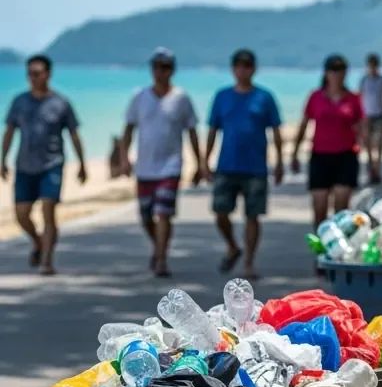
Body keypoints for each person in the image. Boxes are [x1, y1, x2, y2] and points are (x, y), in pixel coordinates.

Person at [119, 48, 205, 278]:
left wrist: (200, 163)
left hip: (171, 166)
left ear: (172, 70)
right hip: (145, 167)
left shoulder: (181, 98)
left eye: (165, 67)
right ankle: (158, 247)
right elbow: (128, 129)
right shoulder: (139, 97)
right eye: (157, 67)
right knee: (146, 215)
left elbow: (192, 132)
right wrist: (124, 158)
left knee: (163, 213)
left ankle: (161, 258)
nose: (160, 71)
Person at [1, 54, 87, 275]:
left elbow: (74, 135)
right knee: (22, 214)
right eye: (29, 73)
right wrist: (2, 160)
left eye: (37, 73)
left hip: (52, 164)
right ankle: (38, 242)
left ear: (48, 74)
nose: (32, 77)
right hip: (24, 166)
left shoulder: (61, 103)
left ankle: (47, 261)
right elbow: (9, 132)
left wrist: (82, 164)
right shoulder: (19, 102)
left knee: (48, 210)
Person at [204, 49, 283, 279]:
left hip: (255, 167)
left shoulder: (264, 97)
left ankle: (249, 261)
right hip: (226, 165)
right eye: (239, 65)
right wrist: (203, 160)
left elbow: (276, 130)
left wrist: (279, 163)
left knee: (253, 216)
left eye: (247, 65)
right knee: (220, 212)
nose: (243, 70)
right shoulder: (222, 96)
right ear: (233, 69)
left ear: (253, 68)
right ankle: (232, 246)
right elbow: (212, 130)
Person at [292, 54, 365, 228]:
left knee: (341, 209)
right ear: (326, 73)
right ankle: (321, 247)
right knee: (319, 208)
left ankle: (340, 249)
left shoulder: (353, 98)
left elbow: (362, 128)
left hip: (346, 155)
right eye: (333, 70)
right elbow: (304, 125)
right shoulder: (315, 97)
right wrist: (294, 153)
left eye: (340, 70)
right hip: (320, 156)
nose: (337, 74)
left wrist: (369, 156)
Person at [359, 53, 382, 184]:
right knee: (367, 144)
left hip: (379, 115)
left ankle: (377, 169)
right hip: (367, 116)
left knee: (379, 144)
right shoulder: (364, 80)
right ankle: (371, 168)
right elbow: (360, 98)